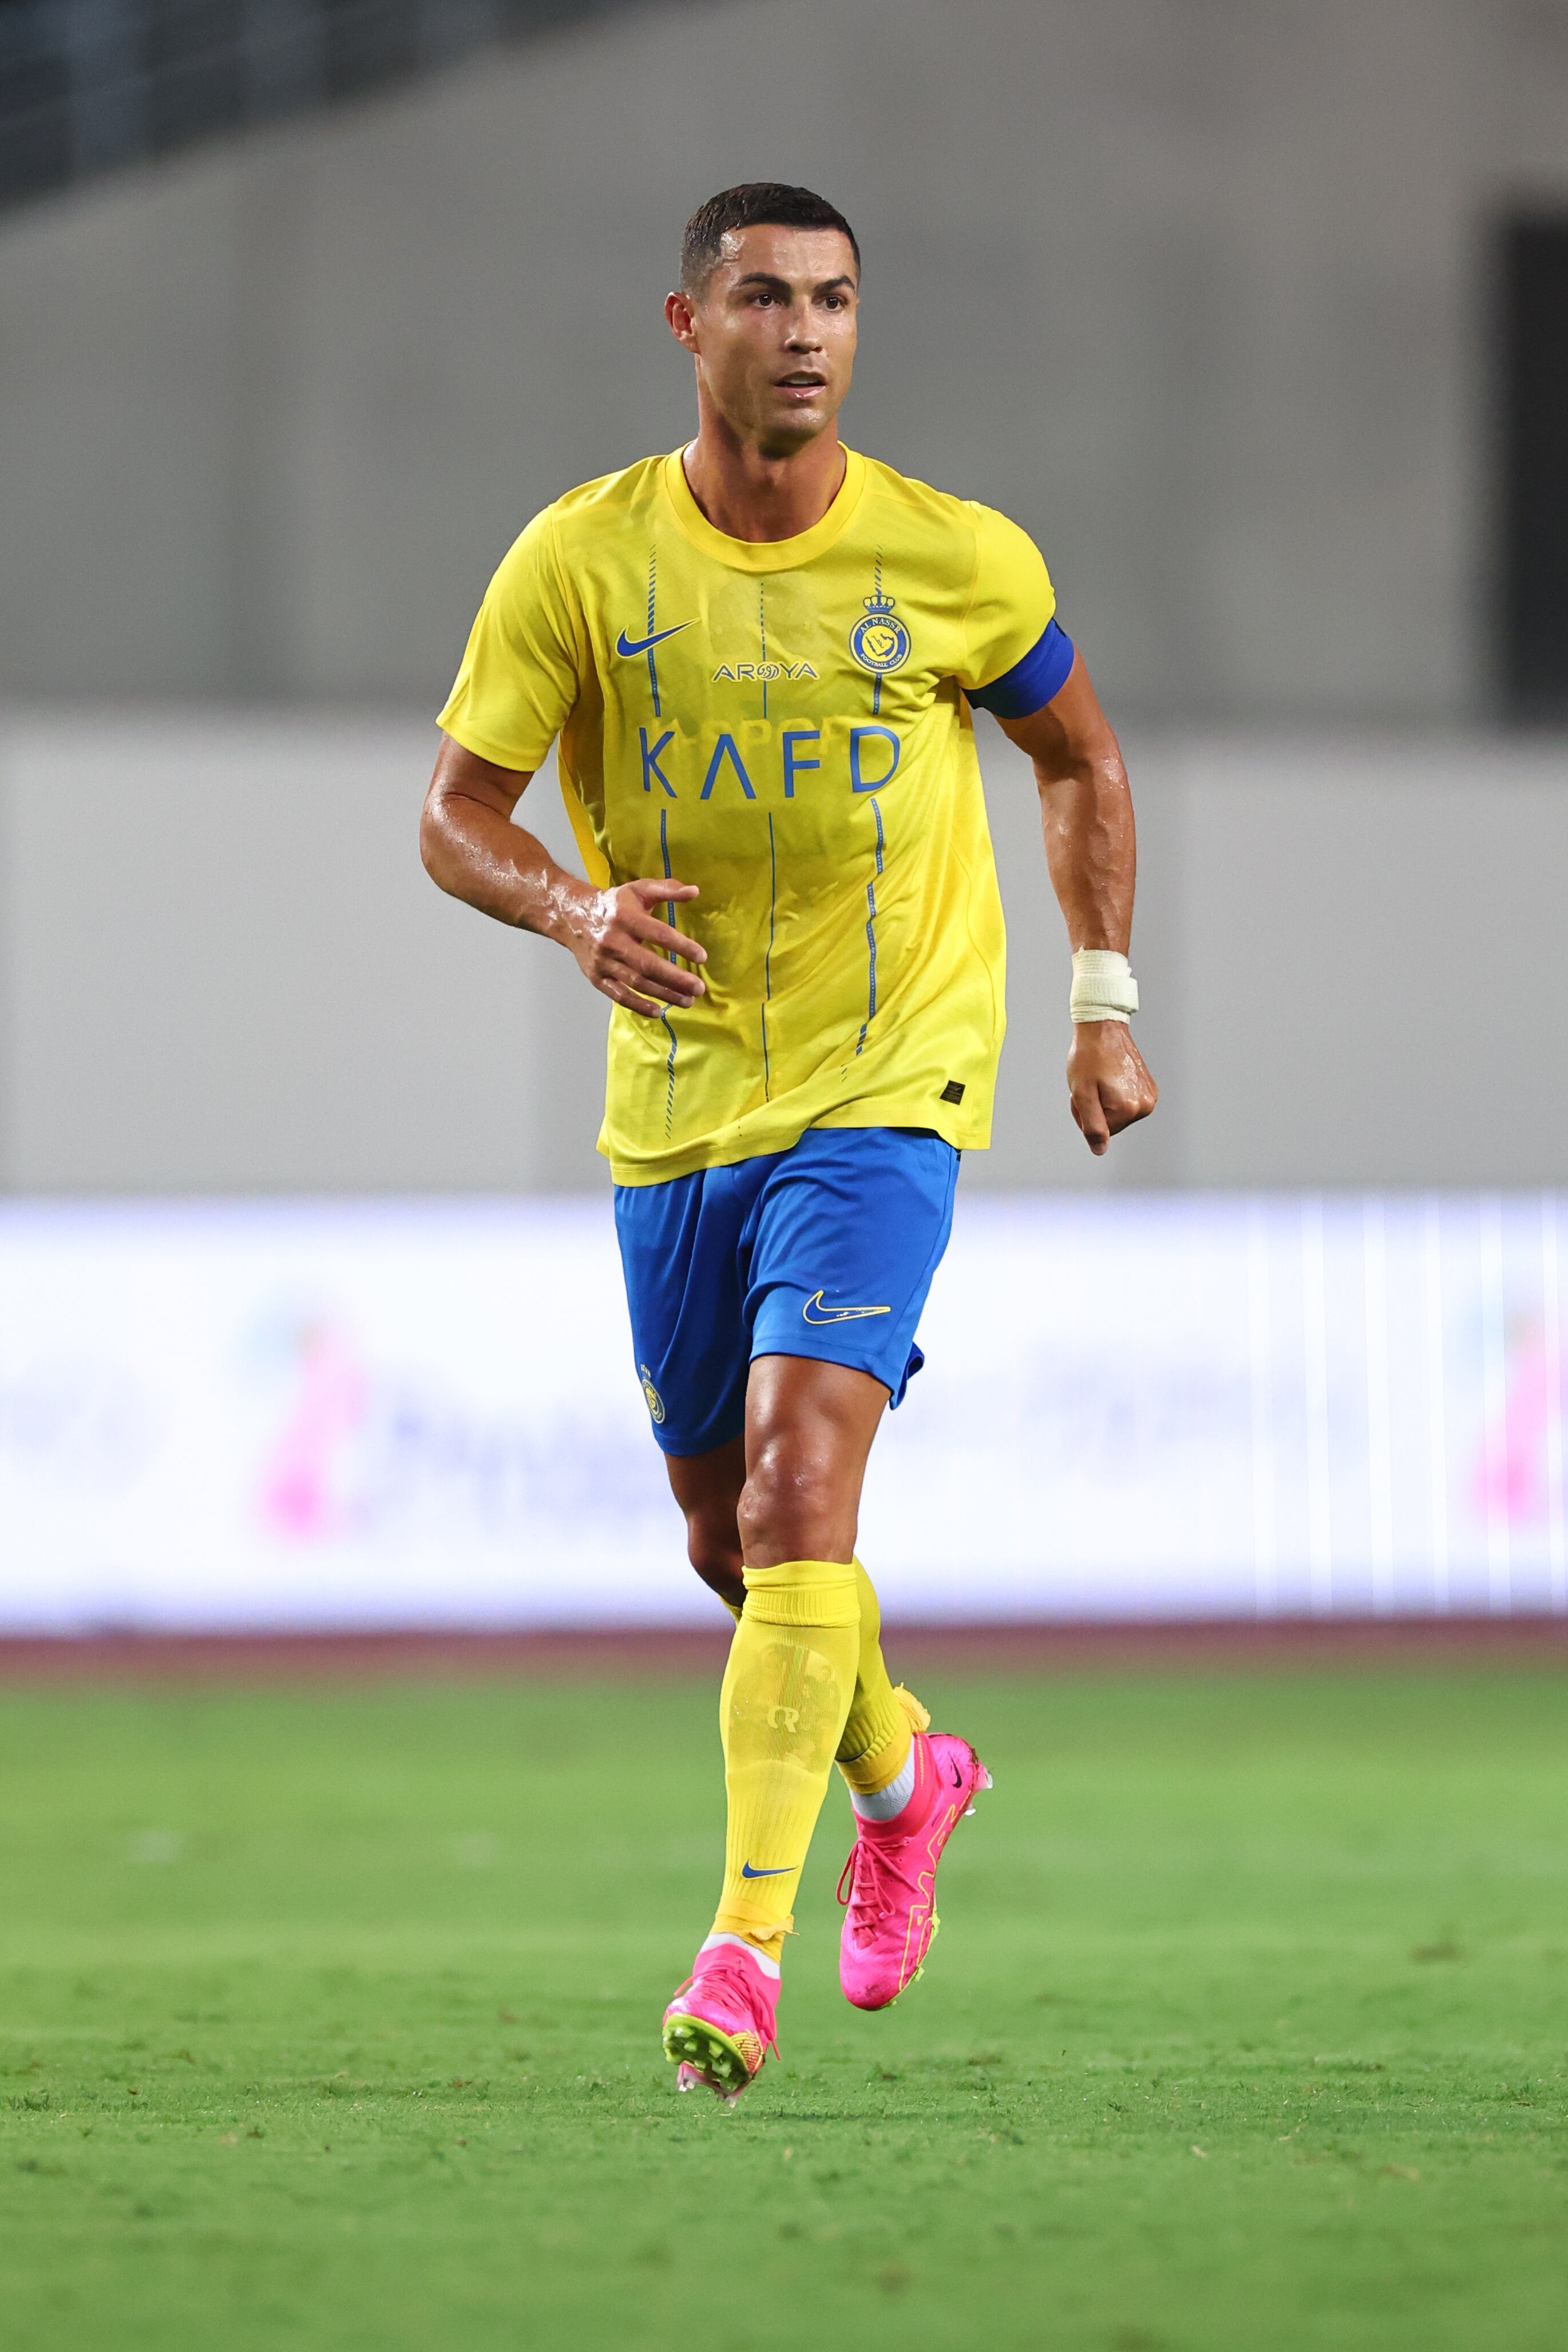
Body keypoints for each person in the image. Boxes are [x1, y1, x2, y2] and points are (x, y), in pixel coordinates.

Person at [421, 181, 1157, 2103]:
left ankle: (737, 1947)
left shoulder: (952, 554)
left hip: (883, 1081)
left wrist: (1101, 998)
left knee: (790, 1501)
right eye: (765, 297)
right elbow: (451, 816)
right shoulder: (579, 562)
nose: (807, 331)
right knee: (720, 1543)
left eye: (834, 298)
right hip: (677, 1105)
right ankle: (907, 1776)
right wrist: (572, 910)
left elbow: (1078, 753)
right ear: (690, 326)